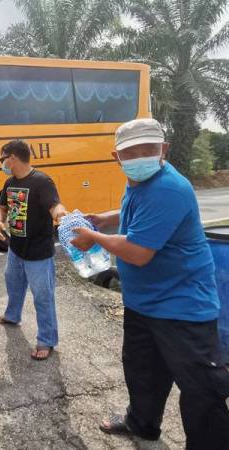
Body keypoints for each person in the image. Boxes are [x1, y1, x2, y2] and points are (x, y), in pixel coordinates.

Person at [71, 118, 229, 448]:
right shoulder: (138, 181)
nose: (141, 156)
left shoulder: (169, 187)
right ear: (117, 157)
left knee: (201, 388)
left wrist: (95, 236)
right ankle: (142, 423)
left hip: (182, 305)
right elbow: (135, 211)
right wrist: (106, 218)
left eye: (149, 150)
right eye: (132, 152)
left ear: (164, 150)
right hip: (142, 302)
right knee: (143, 371)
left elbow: (139, 252)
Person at [0, 140, 68, 361]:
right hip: (16, 248)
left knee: (42, 297)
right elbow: (2, 207)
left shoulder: (42, 181)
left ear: (12, 157)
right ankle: (12, 315)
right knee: (13, 283)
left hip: (38, 252)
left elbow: (55, 205)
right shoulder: (9, 182)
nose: (2, 163)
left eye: (2, 158)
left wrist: (61, 215)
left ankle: (47, 340)